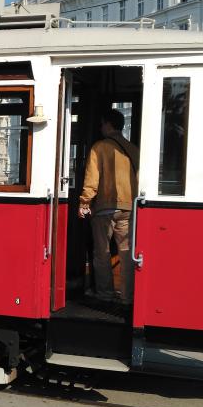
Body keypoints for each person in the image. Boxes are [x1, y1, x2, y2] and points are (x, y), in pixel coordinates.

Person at [78, 109, 139, 304]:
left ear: (109, 125)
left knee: (102, 252)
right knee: (126, 253)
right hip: (129, 207)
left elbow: (92, 179)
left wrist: (84, 202)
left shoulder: (100, 147)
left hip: (105, 207)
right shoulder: (133, 149)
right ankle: (127, 296)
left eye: (102, 123)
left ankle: (105, 294)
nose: (100, 127)